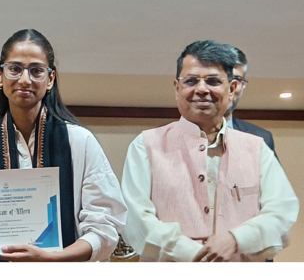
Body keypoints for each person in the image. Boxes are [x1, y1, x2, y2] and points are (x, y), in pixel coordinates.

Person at [0, 29, 127, 262]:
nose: (25, 80)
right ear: (0, 76)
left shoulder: (80, 142)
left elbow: (105, 231)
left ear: (50, 79)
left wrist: (52, 259)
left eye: (36, 70)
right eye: (15, 69)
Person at [120, 40, 298, 262]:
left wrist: (236, 238)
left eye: (213, 81)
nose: (201, 89)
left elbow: (281, 210)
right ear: (177, 89)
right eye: (191, 81)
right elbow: (136, 218)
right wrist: (194, 255)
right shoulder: (145, 145)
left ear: (232, 89)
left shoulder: (257, 148)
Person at [224, 45, 277, 159]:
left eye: (237, 80)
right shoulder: (177, 135)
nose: (230, 86)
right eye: (221, 79)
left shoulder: (261, 138)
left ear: (243, 85)